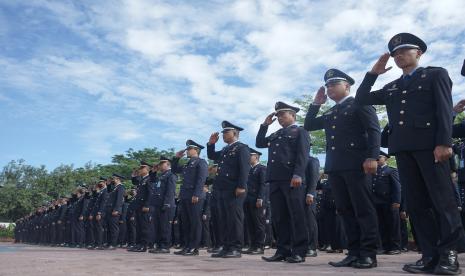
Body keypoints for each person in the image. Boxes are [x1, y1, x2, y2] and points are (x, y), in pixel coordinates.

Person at [355, 32, 465, 275]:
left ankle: (448, 255)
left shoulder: (435, 74)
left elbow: (444, 109)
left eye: (404, 50)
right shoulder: (392, 86)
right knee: (417, 205)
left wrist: (444, 142)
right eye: (395, 53)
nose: (399, 55)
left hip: (431, 148)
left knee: (442, 201)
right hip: (403, 150)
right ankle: (429, 255)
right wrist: (373, 73)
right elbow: (361, 98)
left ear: (419, 53)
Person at [305, 69, 380, 268]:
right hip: (336, 167)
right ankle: (353, 252)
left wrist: (372, 156)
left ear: (346, 86)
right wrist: (315, 104)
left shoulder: (359, 103)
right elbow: (309, 125)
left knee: (363, 209)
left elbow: (374, 130)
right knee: (345, 210)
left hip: (357, 165)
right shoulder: (331, 112)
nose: (329, 88)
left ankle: (368, 254)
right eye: (327, 85)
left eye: (333, 84)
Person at [256, 101, 310, 263]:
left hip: (291, 179)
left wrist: (298, 174)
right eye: (278, 115)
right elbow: (259, 143)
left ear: (292, 116)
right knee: (280, 217)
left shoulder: (300, 131)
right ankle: (283, 250)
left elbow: (302, 155)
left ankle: (300, 251)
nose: (279, 118)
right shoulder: (276, 134)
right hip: (275, 179)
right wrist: (264, 126)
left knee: (296, 215)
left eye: (282, 115)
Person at [207, 121, 250, 258]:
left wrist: (241, 186)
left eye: (226, 132)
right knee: (223, 218)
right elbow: (212, 156)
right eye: (223, 132)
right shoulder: (226, 149)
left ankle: (235, 248)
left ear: (235, 133)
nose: (224, 134)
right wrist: (211, 144)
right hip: (221, 188)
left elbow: (244, 168)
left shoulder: (241, 148)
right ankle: (226, 246)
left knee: (234, 218)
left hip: (234, 188)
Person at [172, 140, 209, 256]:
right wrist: (176, 158)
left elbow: (201, 179)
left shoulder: (201, 162)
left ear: (196, 150)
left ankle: (194, 247)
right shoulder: (187, 164)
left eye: (189, 149)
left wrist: (197, 194)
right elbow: (174, 170)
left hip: (195, 196)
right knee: (186, 222)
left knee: (194, 222)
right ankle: (187, 246)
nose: (187, 151)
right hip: (185, 196)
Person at [372, 151, 401, 255]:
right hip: (377, 201)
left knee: (393, 225)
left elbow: (397, 187)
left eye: (379, 157)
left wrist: (397, 201)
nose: (377, 159)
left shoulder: (391, 170)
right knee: (381, 225)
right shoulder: (374, 171)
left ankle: (395, 247)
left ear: (386, 159)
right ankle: (384, 246)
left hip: (389, 201)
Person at [149, 156, 177, 254]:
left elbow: (170, 191)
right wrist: (153, 171)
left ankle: (165, 246)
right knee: (158, 226)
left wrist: (167, 203)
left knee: (165, 226)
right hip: (158, 204)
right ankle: (159, 245)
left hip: (166, 204)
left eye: (162, 163)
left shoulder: (171, 174)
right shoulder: (161, 175)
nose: (160, 165)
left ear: (168, 164)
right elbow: (152, 181)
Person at [242, 148, 267, 255]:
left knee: (258, 224)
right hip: (248, 199)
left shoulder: (262, 168)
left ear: (256, 157)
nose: (248, 158)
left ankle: (260, 246)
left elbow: (263, 184)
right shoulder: (249, 170)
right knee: (250, 223)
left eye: (250, 156)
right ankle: (253, 245)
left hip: (257, 199)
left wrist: (260, 198)